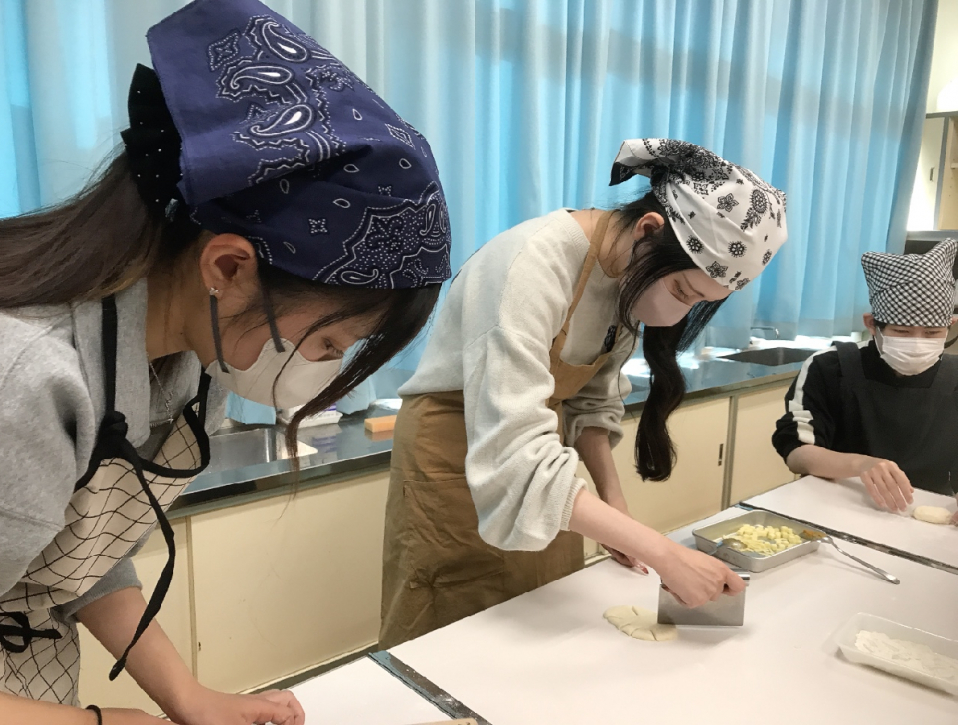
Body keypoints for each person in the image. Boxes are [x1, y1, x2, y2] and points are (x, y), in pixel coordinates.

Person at [0, 0, 452, 722]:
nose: (326, 372)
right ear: (229, 268)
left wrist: (187, 697)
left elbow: (75, 552)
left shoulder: (182, 365)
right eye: (328, 344)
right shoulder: (23, 381)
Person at [379, 138, 789, 648]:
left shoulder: (626, 271)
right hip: (455, 455)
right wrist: (664, 553)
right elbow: (513, 454)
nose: (678, 315)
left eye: (699, 302)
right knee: (455, 629)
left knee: (542, 615)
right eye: (683, 292)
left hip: (540, 458)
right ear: (648, 231)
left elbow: (590, 402)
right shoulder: (531, 264)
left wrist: (614, 506)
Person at [773, 239, 958, 520]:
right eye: (902, 332)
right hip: (837, 504)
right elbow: (797, 453)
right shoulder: (831, 368)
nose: (917, 343)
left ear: (950, 326)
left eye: (932, 333)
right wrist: (861, 465)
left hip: (927, 513)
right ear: (872, 324)